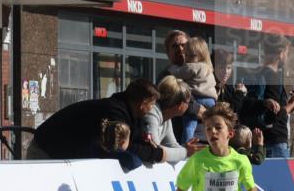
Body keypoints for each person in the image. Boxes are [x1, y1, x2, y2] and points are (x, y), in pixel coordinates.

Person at [29, 79, 165, 163]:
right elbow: (123, 146)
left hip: (57, 150)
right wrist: (158, 154)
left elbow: (134, 139)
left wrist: (146, 142)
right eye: (152, 104)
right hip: (46, 151)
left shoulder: (126, 113)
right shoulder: (115, 113)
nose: (152, 109)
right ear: (142, 103)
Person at [246, 33, 294, 158]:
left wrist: (293, 105)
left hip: (259, 138)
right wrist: (293, 102)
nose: (287, 57)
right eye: (287, 53)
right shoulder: (273, 76)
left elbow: (270, 107)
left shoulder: (256, 73)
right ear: (281, 53)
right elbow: (275, 114)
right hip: (275, 140)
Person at [169, 37, 219, 144]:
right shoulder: (208, 68)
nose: (187, 58)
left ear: (200, 55)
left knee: (189, 125)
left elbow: (177, 73)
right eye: (186, 55)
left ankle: (186, 145)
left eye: (190, 55)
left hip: (196, 99)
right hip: (211, 100)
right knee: (212, 125)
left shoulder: (193, 67)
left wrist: (171, 68)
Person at [142, 76, 204, 162]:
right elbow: (155, 151)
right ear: (181, 105)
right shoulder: (151, 114)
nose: (189, 105)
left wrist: (186, 149)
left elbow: (172, 145)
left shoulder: (167, 118)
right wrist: (185, 151)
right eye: (188, 102)